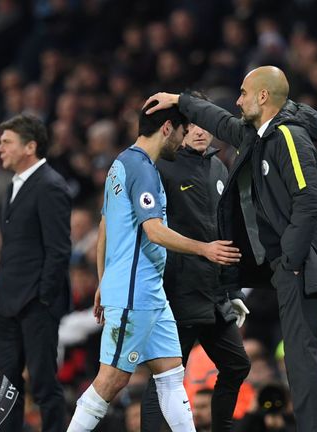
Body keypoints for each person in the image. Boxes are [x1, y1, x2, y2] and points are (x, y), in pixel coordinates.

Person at [145, 65, 317, 431]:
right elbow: (223, 123)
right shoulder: (259, 135)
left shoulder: (287, 136)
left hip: (302, 265)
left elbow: (309, 201)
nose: (237, 100)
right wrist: (180, 100)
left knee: (301, 357)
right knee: (298, 358)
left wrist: (290, 259)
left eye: (242, 93)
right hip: (287, 266)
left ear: (263, 96)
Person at [66, 102, 241, 432]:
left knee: (172, 375)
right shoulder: (145, 170)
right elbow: (153, 230)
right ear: (166, 129)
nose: (184, 136)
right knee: (111, 381)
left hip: (148, 292)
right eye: (181, 130)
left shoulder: (121, 164)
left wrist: (104, 280)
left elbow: (106, 225)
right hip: (136, 293)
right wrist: (204, 248)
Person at [141, 92, 251, 432]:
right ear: (179, 128)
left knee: (237, 366)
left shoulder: (219, 165)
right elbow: (151, 229)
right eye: (192, 124)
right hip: (180, 292)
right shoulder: (161, 167)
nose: (201, 131)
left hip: (214, 294)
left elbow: (225, 229)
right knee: (166, 377)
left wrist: (233, 291)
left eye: (205, 123)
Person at [0, 114, 73, 432]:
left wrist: (42, 298)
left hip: (36, 304)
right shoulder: (14, 185)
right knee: (6, 386)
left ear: (30, 147)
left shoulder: (50, 186)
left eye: (6, 142)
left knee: (43, 384)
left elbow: (59, 250)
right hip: (8, 303)